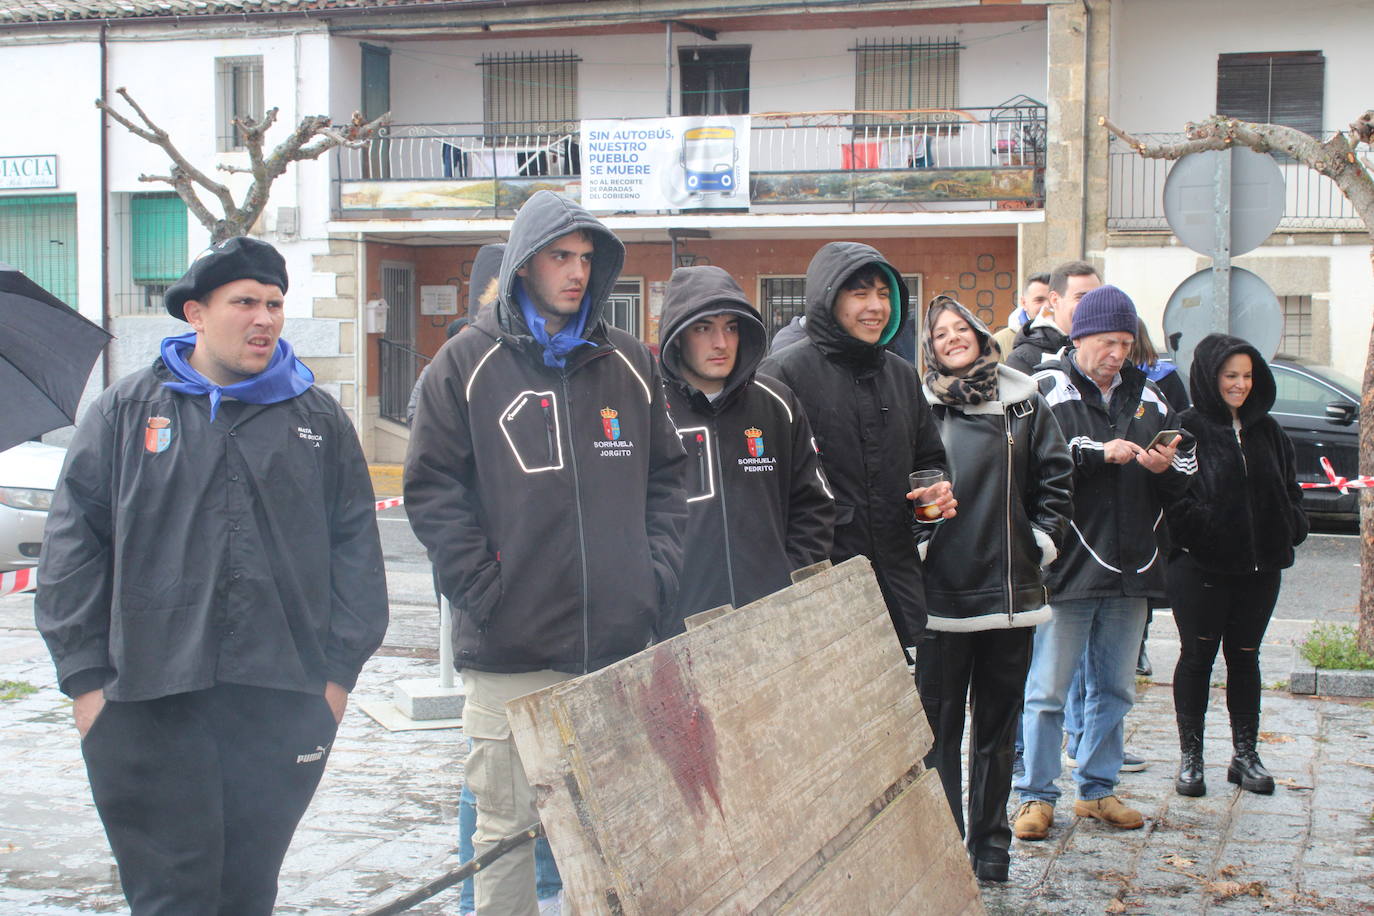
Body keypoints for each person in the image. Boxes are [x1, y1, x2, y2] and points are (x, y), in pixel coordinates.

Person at [34, 236, 389, 915]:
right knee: (171, 898)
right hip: (145, 702)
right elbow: (72, 550)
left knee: (247, 891)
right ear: (196, 314)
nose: (264, 319)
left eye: (276, 304)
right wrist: (87, 690)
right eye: (245, 303)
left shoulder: (317, 420)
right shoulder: (127, 411)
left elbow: (357, 558)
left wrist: (334, 684)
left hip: (280, 702)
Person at [404, 190, 687, 915]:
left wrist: (650, 579)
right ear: (526, 264)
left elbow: (667, 478)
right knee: (505, 834)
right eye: (561, 257)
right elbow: (432, 490)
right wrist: (484, 589)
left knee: (614, 829)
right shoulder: (465, 363)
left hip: (617, 648)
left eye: (588, 260)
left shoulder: (628, 361)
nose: (577, 273)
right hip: (510, 654)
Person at [1012, 284, 1196, 841]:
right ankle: (1036, 796)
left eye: (1124, 342)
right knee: (1047, 690)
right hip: (1065, 567)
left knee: (1115, 688)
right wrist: (1098, 451)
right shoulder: (1044, 386)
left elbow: (1185, 473)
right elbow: (1026, 458)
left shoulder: (1153, 397)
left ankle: (1097, 789)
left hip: (1133, 567)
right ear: (1079, 336)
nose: (1117, 353)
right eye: (1106, 342)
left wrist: (1168, 465)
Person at [914, 296, 1073, 883]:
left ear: (982, 336)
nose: (954, 338)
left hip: (1009, 596)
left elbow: (1057, 477)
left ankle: (991, 841)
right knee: (940, 731)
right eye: (941, 333)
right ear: (930, 347)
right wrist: (919, 540)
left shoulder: (1024, 400)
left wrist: (1039, 541)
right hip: (942, 594)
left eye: (963, 329)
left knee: (997, 731)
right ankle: (947, 838)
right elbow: (898, 484)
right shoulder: (918, 405)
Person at [760, 241, 955, 658]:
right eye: (860, 293)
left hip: (897, 577)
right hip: (817, 583)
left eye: (884, 294)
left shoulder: (902, 376)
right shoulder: (783, 372)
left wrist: (933, 492)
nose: (876, 306)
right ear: (828, 299)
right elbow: (762, 487)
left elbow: (928, 460)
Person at [1165, 333, 1308, 797]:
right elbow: (1171, 497)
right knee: (1198, 657)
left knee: (1245, 657)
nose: (1240, 385)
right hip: (1201, 568)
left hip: (1261, 569)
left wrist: (1292, 525)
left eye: (1247, 376)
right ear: (1210, 376)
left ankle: (1245, 755)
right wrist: (1202, 531)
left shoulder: (1269, 430)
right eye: (1231, 376)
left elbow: (1291, 488)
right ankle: (1192, 759)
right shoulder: (1185, 427)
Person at [657, 265, 834, 633]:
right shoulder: (649, 409)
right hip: (676, 628)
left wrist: (784, 582)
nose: (721, 343)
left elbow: (813, 505)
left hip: (770, 619)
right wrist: (658, 600)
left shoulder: (776, 402)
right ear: (677, 336)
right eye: (703, 328)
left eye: (731, 327)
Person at [1005, 261, 1101, 375]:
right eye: (1081, 297)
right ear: (1055, 299)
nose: (1092, 304)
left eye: (1097, 297)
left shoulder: (1112, 349)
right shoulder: (1024, 358)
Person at [991, 272, 1050, 358]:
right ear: (1024, 303)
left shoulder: (1072, 338)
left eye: (1052, 300)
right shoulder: (999, 342)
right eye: (1039, 300)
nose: (1047, 306)